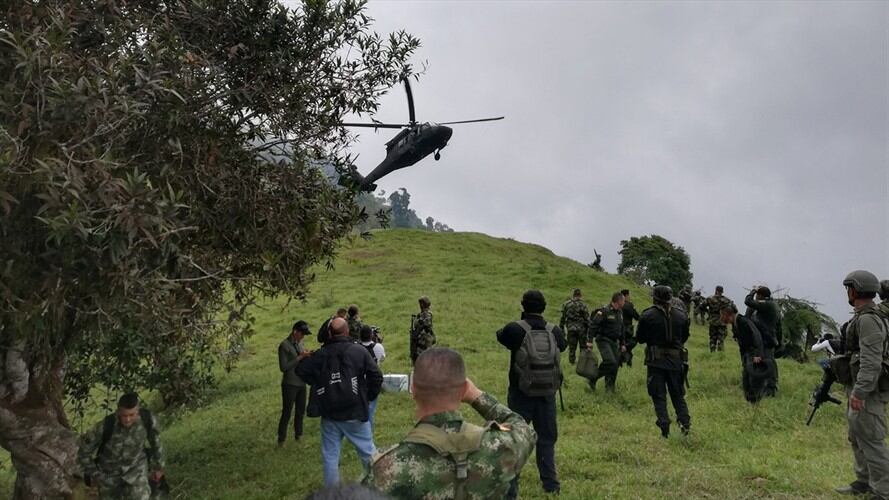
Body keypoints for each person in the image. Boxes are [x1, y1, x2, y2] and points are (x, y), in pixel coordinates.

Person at [364, 348, 536, 499]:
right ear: (463, 391)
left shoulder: (386, 467)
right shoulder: (501, 447)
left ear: (413, 389)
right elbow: (522, 427)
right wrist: (477, 397)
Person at [496, 290, 566, 497]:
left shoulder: (515, 329)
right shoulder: (555, 331)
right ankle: (551, 484)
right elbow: (563, 346)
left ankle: (511, 487)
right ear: (544, 307)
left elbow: (500, 336)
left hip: (520, 393)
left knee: (515, 440)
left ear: (523, 306)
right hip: (547, 394)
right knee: (546, 438)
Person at [298, 317, 383, 486]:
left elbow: (301, 370)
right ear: (347, 331)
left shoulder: (321, 354)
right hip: (355, 412)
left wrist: (319, 383)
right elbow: (376, 376)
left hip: (330, 414)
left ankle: (332, 495)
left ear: (329, 333)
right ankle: (379, 487)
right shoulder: (358, 351)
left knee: (330, 456)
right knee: (368, 453)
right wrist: (367, 397)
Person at [834, 270, 889, 498]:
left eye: (849, 288)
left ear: (854, 289)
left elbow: (872, 362)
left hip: (868, 391)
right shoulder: (862, 317)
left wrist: (860, 392)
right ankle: (863, 481)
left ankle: (883, 491)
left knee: (872, 440)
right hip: (859, 387)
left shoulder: (868, 320)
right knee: (857, 436)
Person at [78, 392, 165, 500]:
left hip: (136, 469)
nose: (127, 419)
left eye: (131, 415)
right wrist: (95, 474)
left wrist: (159, 467)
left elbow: (156, 442)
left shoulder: (147, 419)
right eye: (124, 415)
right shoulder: (105, 425)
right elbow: (83, 452)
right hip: (108, 474)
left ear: (137, 411)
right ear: (118, 411)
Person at [636, 286, 691, 438]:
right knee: (678, 395)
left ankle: (664, 426)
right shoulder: (681, 315)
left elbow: (640, 338)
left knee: (658, 395)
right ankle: (685, 424)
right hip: (676, 361)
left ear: (655, 298)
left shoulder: (647, 315)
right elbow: (685, 337)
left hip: (656, 361)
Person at [720, 303, 768, 403]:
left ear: (728, 314)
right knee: (746, 377)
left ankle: (755, 402)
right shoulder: (735, 323)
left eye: (722, 315)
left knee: (753, 377)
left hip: (753, 352)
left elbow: (757, 337)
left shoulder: (743, 321)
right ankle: (749, 401)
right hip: (746, 353)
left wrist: (758, 354)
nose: (721, 318)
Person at [278, 320, 312, 445]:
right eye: (301, 334)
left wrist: (307, 355)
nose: (303, 336)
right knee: (287, 411)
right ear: (295, 332)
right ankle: (281, 438)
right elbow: (283, 367)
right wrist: (300, 357)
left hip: (302, 382)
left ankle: (299, 435)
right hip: (290, 383)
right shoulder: (284, 345)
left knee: (300, 411)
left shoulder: (300, 343)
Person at [744, 286, 781, 396]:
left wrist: (752, 291)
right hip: (765, 339)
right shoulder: (773, 305)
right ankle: (762, 386)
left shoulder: (768, 305)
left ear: (760, 295)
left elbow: (748, 301)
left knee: (769, 364)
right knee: (765, 363)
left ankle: (770, 389)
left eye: (757, 295)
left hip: (766, 339)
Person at [587, 292, 626, 391]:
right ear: (619, 301)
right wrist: (589, 341)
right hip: (603, 339)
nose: (625, 302)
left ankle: (610, 388)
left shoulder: (620, 312)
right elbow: (593, 325)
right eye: (624, 300)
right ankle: (593, 377)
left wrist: (622, 343)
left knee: (615, 364)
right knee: (610, 361)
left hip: (614, 341)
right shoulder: (604, 311)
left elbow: (621, 329)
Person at [360, 324, 386, 430]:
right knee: (370, 411)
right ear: (371, 335)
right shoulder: (378, 347)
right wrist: (378, 342)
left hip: (359, 382)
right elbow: (383, 358)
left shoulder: (355, 347)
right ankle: (367, 434)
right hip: (372, 382)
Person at [559, 288, 590, 364]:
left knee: (572, 347)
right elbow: (587, 318)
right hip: (581, 329)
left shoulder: (566, 304)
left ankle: (572, 362)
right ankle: (582, 363)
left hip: (571, 328)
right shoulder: (583, 305)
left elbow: (563, 317)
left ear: (573, 295)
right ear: (580, 295)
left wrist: (562, 327)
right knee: (583, 347)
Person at [410, 296, 436, 365]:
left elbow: (426, 326)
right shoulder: (420, 315)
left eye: (421, 303)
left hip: (424, 343)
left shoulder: (426, 315)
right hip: (419, 342)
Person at [706, 286, 732, 352]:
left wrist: (709, 312)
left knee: (712, 338)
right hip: (722, 321)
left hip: (713, 321)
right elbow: (734, 309)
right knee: (721, 339)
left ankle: (712, 352)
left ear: (716, 290)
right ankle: (720, 354)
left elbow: (701, 306)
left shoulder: (710, 298)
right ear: (722, 292)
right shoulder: (727, 300)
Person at [620, 289, 641, 367]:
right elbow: (636, 316)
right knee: (629, 344)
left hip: (618, 328)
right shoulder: (628, 305)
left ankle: (622, 360)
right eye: (629, 295)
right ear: (626, 296)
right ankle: (627, 359)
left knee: (620, 345)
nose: (629, 297)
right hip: (627, 329)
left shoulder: (617, 304)